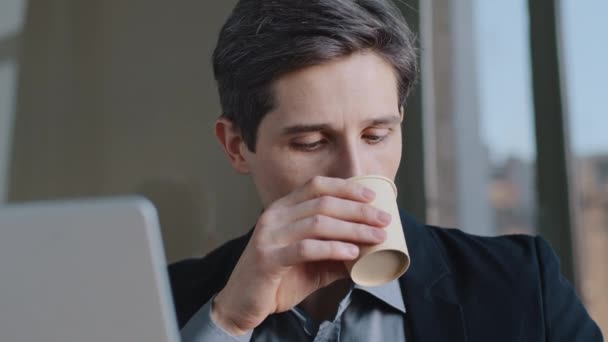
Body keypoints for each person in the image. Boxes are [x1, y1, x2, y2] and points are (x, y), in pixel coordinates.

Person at [168, 0, 604, 341]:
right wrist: (226, 323)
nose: (353, 173)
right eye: (311, 143)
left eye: (376, 135)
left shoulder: (521, 285)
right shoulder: (167, 301)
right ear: (237, 146)